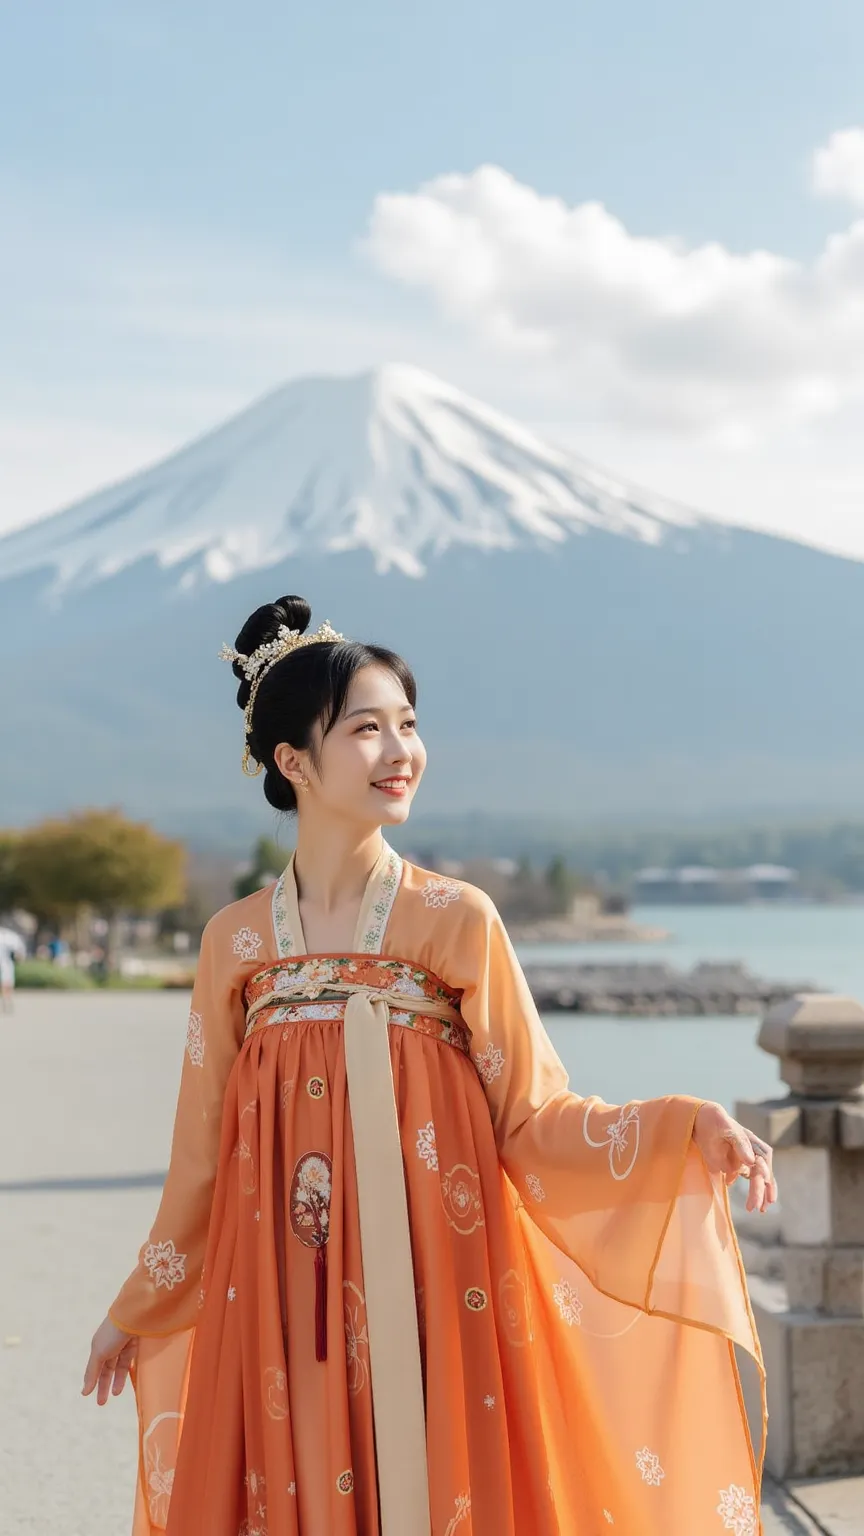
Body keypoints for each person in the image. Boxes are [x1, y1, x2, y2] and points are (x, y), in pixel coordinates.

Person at [83, 595, 777, 1536]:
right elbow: (201, 1155)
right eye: (366, 728)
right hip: (281, 1302)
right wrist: (139, 1306)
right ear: (293, 763)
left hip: (438, 1296)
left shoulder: (455, 919)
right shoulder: (235, 945)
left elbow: (533, 1119)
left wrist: (681, 1126)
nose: (401, 750)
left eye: (408, 724)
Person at [0, 926, 25, 1014]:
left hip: (6, 964)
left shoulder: (10, 937)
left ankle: (6, 1000)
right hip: (7, 964)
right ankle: (7, 1000)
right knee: (6, 983)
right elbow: (19, 954)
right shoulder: (11, 938)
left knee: (6, 984)